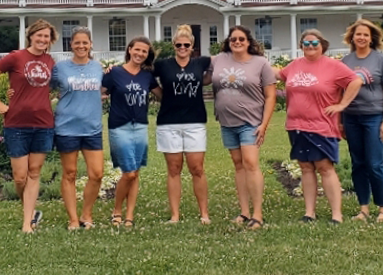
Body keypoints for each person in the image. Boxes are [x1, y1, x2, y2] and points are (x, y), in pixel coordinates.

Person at [0, 19, 57, 233]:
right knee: (20, 176)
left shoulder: (51, 61)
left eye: (46, 36)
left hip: (43, 124)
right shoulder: (16, 57)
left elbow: (61, 85)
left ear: (51, 40)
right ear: (31, 36)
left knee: (34, 173)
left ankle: (27, 223)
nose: (42, 39)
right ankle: (30, 212)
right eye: (39, 35)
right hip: (17, 124)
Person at [275, 29, 363, 224]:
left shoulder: (332, 66)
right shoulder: (294, 65)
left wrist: (342, 105)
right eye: (306, 44)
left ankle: (336, 214)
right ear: (301, 47)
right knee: (305, 167)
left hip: (322, 125)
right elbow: (278, 75)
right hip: (296, 125)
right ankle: (309, 213)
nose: (310, 47)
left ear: (322, 45)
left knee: (324, 167)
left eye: (314, 43)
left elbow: (356, 81)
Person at [210, 25, 276, 230]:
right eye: (233, 39)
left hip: (251, 122)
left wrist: (264, 125)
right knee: (238, 165)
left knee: (250, 163)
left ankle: (258, 213)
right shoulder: (219, 59)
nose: (237, 42)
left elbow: (270, 95)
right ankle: (244, 211)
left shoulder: (260, 63)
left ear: (248, 42)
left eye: (241, 39)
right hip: (227, 122)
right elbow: (195, 69)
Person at [153, 25, 211, 224]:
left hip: (195, 121)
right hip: (169, 123)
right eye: (179, 44)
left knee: (197, 168)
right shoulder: (163, 65)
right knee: (174, 169)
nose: (182, 47)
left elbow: (216, 71)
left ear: (192, 45)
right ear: (174, 45)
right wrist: (163, 97)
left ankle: (204, 213)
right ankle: (175, 215)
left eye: (186, 44)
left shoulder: (201, 63)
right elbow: (145, 75)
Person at [101, 36, 161, 227]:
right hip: (120, 127)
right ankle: (117, 211)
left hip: (140, 127)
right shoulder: (115, 73)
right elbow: (99, 92)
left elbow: (162, 96)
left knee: (135, 172)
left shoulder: (147, 76)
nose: (140, 54)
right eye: (137, 50)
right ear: (129, 50)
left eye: (144, 51)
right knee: (129, 172)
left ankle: (130, 215)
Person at [341, 19, 383, 223]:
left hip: (374, 117)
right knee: (358, 164)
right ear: (352, 38)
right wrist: (340, 120)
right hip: (351, 118)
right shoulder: (345, 61)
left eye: (365, 34)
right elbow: (339, 93)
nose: (361, 37)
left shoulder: (380, 60)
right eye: (358, 34)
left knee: (374, 164)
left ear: (371, 38)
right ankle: (363, 208)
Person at [50, 27, 104, 230]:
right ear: (71, 45)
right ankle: (73, 219)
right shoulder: (60, 68)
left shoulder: (97, 68)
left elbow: (105, 88)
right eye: (77, 42)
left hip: (92, 127)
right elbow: (42, 87)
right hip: (66, 127)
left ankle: (86, 214)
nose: (81, 46)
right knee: (70, 173)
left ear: (91, 45)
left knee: (97, 173)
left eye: (85, 42)